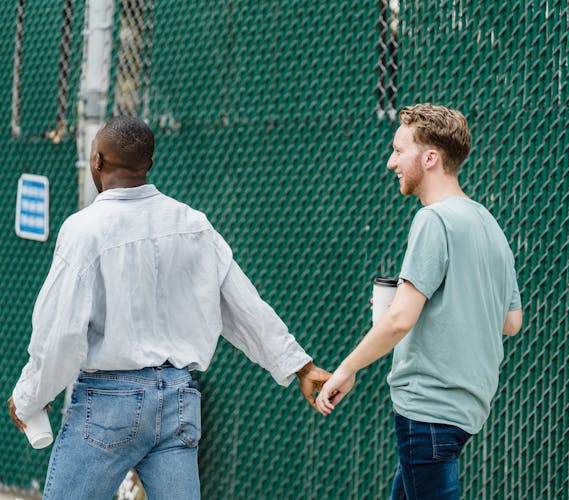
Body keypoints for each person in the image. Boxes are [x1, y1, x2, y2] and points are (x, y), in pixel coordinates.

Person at [7, 115, 330, 500]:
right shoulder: (192, 223)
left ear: (97, 162)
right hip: (178, 399)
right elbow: (244, 304)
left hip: (109, 403)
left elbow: (59, 333)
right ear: (149, 165)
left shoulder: (85, 229)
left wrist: (29, 395)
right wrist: (300, 367)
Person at [316, 104, 523, 499]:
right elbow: (511, 321)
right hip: (466, 410)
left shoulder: (434, 220)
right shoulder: (487, 223)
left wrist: (347, 369)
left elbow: (400, 321)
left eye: (398, 150)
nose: (390, 161)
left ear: (429, 159)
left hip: (428, 409)